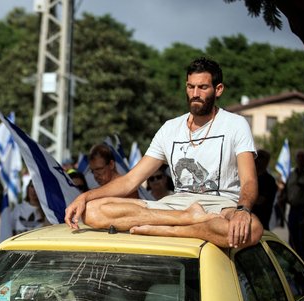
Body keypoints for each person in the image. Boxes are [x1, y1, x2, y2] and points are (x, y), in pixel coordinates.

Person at [65, 57, 263, 249]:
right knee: (92, 212)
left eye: (203, 87)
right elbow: (130, 181)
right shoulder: (170, 128)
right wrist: (85, 197)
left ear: (218, 89)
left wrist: (243, 210)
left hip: (220, 207)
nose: (195, 93)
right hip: (177, 209)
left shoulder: (235, 124)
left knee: (252, 229)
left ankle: (173, 231)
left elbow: (249, 181)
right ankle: (188, 220)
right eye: (190, 86)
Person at [286, 149, 304, 259]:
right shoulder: (292, 174)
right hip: (293, 208)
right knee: (293, 235)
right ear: (296, 159)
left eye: (303, 157)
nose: (301, 159)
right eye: (299, 157)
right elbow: (287, 189)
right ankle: (293, 258)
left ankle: (303, 259)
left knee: (303, 237)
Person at [251, 149, 277, 230]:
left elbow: (260, 200)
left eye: (261, 158)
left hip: (261, 220)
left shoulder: (269, 180)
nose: (257, 160)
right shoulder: (251, 177)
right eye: (256, 157)